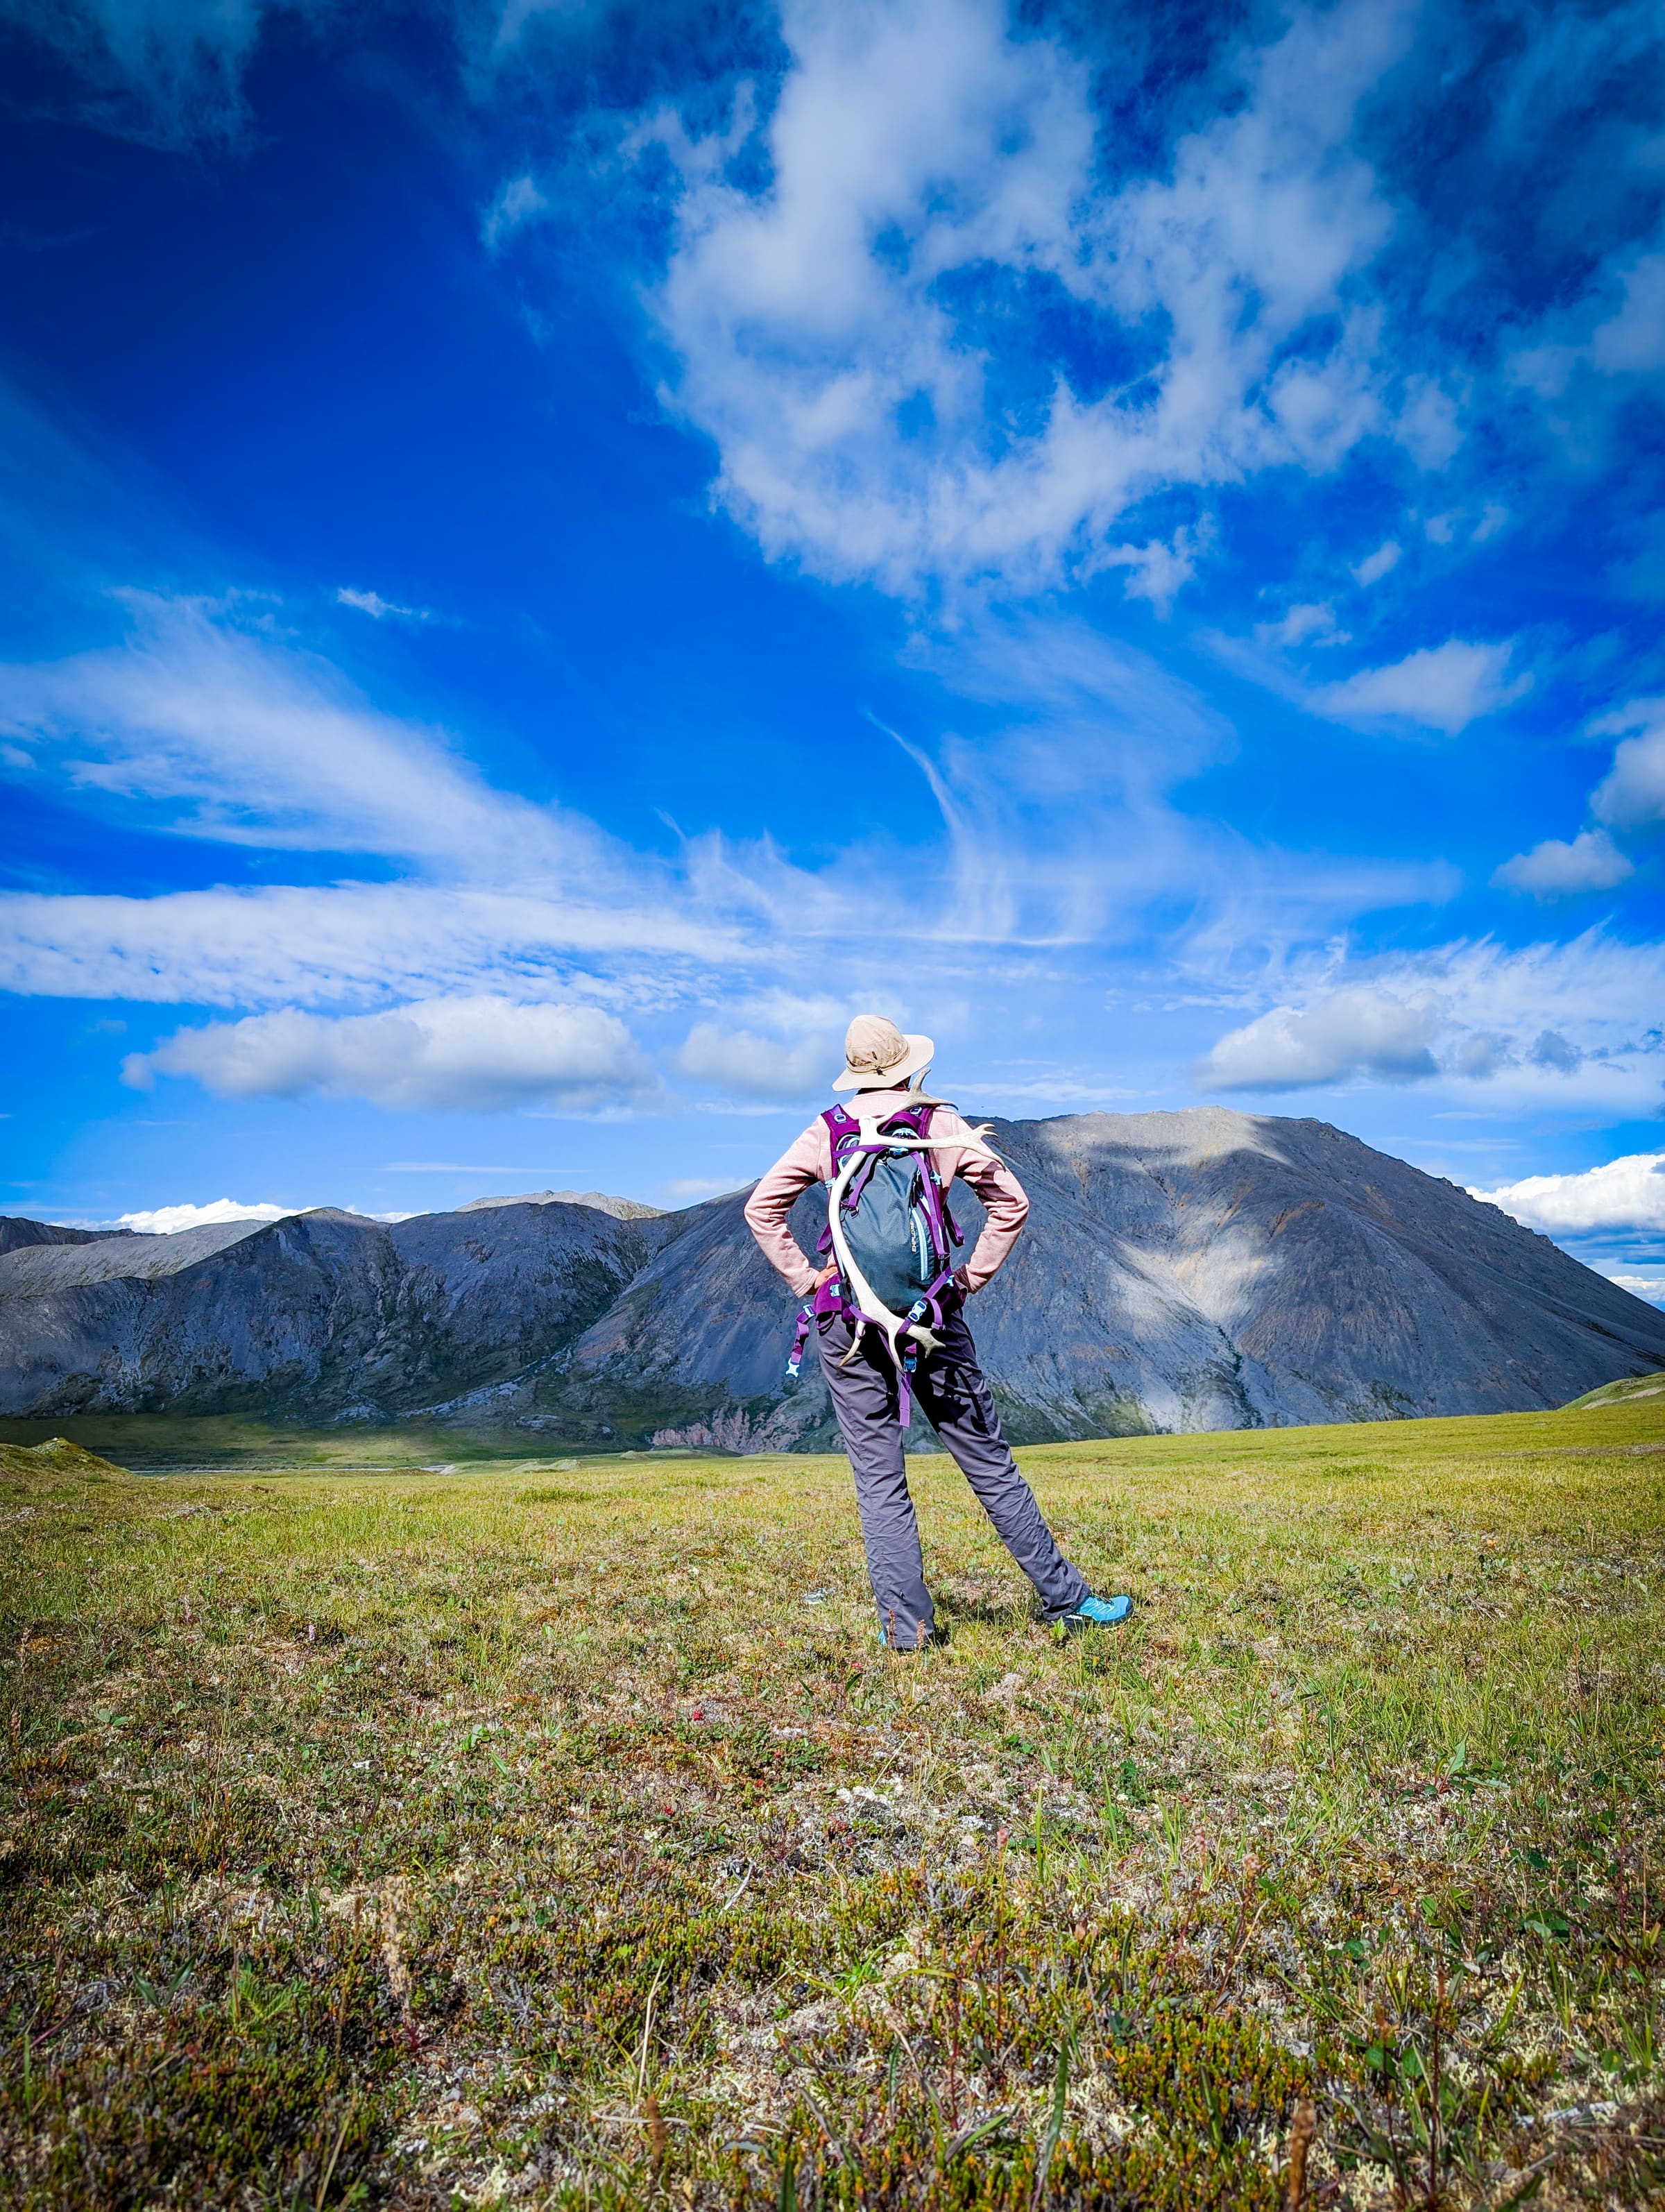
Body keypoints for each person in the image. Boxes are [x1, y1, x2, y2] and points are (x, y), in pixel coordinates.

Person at [744, 1013, 1133, 1650]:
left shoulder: (828, 1131)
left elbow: (762, 1208)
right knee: (987, 1460)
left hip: (848, 1322)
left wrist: (807, 1279)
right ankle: (1066, 1599)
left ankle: (908, 1632)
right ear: (908, 1066)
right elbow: (1013, 1203)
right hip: (932, 1318)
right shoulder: (941, 1125)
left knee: (878, 1477)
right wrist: (970, 1278)